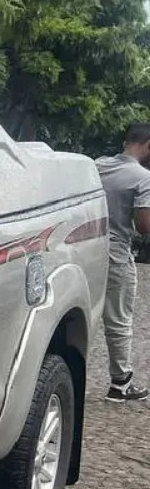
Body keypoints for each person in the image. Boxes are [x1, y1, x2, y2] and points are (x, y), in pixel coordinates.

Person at [95, 124, 150, 401]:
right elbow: (143, 225)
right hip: (116, 252)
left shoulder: (97, 166)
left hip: (85, 247)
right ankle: (120, 384)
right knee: (118, 319)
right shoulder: (143, 178)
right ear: (148, 145)